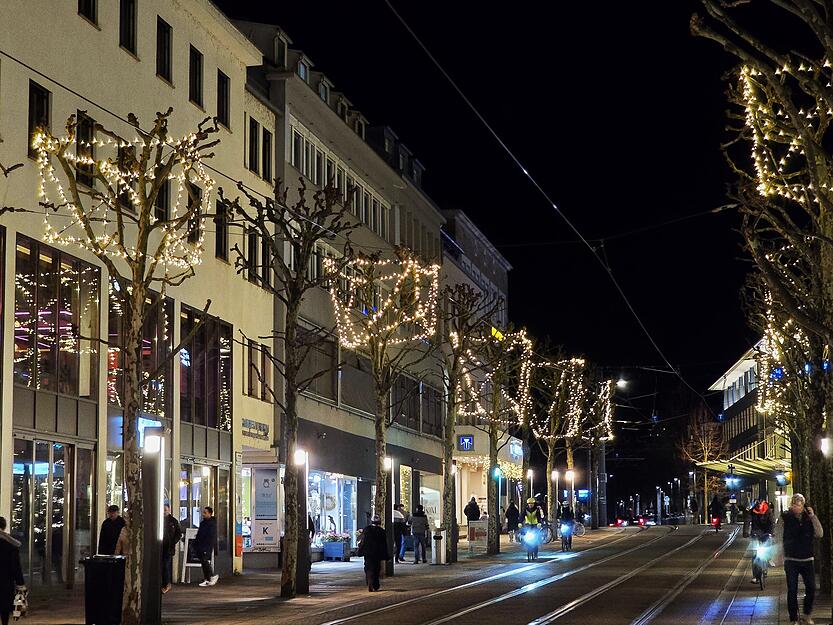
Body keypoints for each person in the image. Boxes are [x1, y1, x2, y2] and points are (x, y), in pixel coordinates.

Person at [774, 493, 823, 625]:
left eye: (799, 505)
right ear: (791, 505)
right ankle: (794, 618)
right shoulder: (785, 517)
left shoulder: (809, 517)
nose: (796, 507)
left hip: (807, 559)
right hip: (791, 559)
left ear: (803, 506)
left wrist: (813, 517)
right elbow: (778, 535)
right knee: (792, 590)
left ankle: (807, 614)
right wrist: (779, 553)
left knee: (811, 588)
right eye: (794, 504)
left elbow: (819, 533)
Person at [0, 517, 24, 625]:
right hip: (6, 581)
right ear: (4, 527)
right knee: (4, 607)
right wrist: (20, 582)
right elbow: (16, 566)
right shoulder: (11, 545)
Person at [356, 515, 389, 592]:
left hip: (368, 552)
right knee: (376, 568)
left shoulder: (367, 529)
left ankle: (369, 580)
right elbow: (384, 544)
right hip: (377, 552)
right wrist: (386, 555)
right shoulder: (381, 531)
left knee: (368, 566)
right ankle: (375, 584)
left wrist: (360, 550)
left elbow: (362, 541)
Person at [195, 507, 218, 587]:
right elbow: (200, 534)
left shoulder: (211, 524)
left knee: (204, 561)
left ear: (210, 514)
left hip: (206, 546)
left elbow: (210, 536)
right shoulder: (203, 523)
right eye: (203, 512)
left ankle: (211, 576)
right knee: (203, 561)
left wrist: (206, 546)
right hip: (201, 545)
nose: (203, 514)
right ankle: (207, 579)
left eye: (205, 513)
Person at [162, 504, 183, 594]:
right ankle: (164, 583)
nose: (164, 512)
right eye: (163, 510)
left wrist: (173, 542)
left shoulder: (173, 521)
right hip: (160, 547)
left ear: (169, 510)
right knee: (163, 565)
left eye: (165, 510)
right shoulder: (159, 520)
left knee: (165, 565)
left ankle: (167, 584)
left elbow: (178, 534)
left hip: (168, 548)